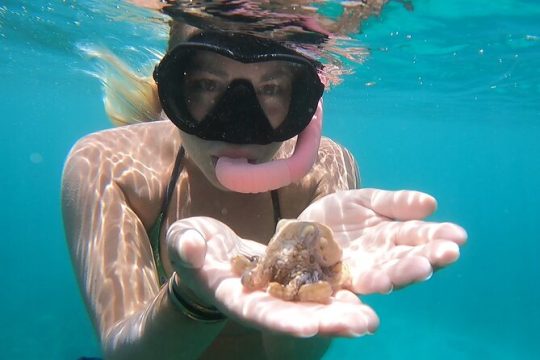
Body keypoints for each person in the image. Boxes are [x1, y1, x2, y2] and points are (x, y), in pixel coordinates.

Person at [62, 5, 467, 360]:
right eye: (207, 84)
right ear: (174, 88)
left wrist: (315, 296)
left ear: (303, 102)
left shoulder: (326, 168)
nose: (239, 127)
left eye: (271, 88)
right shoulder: (108, 167)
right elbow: (126, 352)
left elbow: (294, 355)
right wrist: (193, 296)